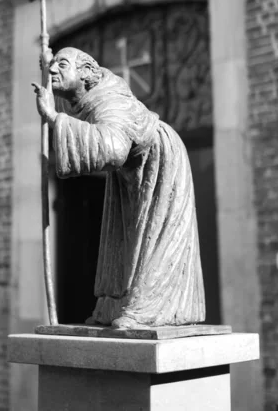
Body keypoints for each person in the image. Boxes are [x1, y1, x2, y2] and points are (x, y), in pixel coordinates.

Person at [32, 47, 205, 329]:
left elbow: (113, 149)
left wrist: (53, 119)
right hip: (130, 173)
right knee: (124, 239)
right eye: (53, 65)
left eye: (62, 65)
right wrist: (46, 67)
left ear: (87, 73)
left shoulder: (108, 99)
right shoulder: (84, 97)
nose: (53, 71)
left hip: (160, 163)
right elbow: (72, 113)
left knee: (155, 235)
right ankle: (116, 304)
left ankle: (150, 310)